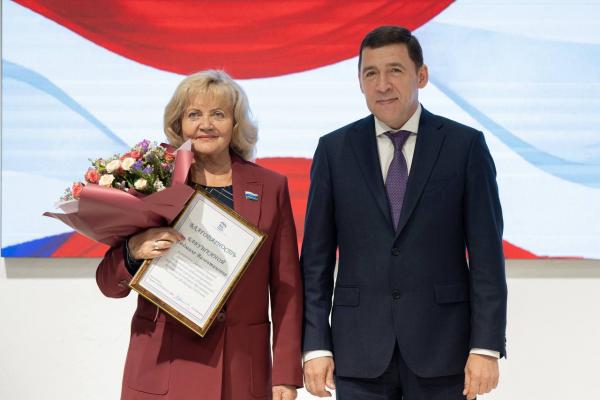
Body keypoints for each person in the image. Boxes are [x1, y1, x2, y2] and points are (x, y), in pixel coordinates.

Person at [301, 26, 507, 400]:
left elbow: (487, 257)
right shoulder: (333, 151)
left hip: (444, 350)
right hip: (358, 352)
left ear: (421, 76)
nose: (382, 85)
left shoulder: (464, 146)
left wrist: (486, 346)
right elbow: (315, 261)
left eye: (395, 70)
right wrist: (315, 345)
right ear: (360, 82)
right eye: (370, 73)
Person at [96, 70, 303, 400]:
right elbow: (108, 284)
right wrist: (133, 251)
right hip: (162, 370)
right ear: (179, 124)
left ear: (235, 124)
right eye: (194, 114)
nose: (206, 124)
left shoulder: (270, 187)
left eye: (218, 114)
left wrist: (286, 375)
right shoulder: (152, 182)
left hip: (239, 374)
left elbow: (286, 289)